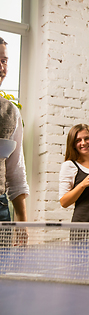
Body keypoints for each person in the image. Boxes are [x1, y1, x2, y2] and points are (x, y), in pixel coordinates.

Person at [0, 37, 29, 223]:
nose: (1, 67)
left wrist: (22, 221)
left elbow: (15, 171)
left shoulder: (11, 112)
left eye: (3, 61)